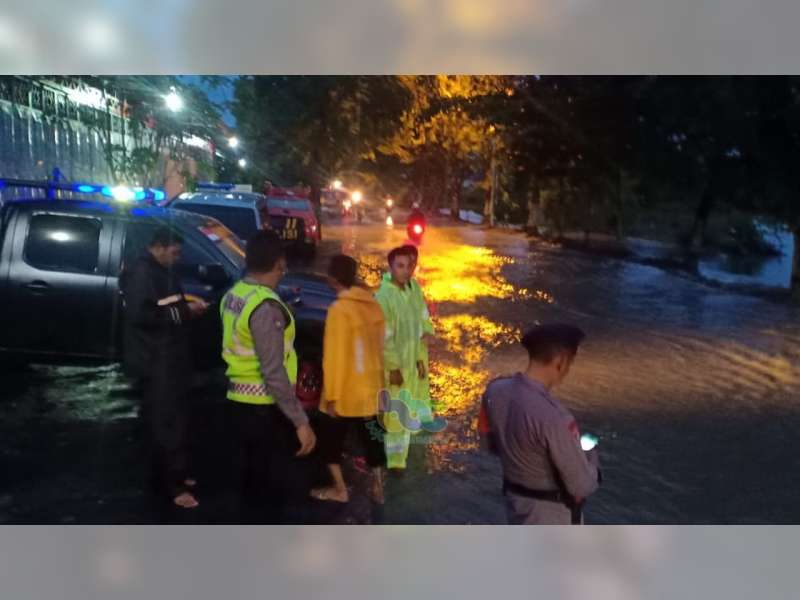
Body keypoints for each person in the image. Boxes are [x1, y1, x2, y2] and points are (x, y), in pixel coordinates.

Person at [220, 230, 316, 518]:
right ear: (278, 264)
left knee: (249, 484)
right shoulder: (266, 307)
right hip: (264, 412)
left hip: (236, 402)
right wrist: (300, 421)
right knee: (269, 491)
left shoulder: (234, 295)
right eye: (283, 262)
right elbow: (273, 371)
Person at [120, 227, 208, 509]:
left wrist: (187, 305)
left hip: (168, 359)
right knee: (168, 423)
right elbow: (142, 314)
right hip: (157, 361)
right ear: (158, 247)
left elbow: (165, 305)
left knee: (165, 420)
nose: (177, 258)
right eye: (174, 252)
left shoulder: (160, 271)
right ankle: (175, 486)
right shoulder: (143, 274)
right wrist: (185, 311)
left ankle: (168, 475)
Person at [478, 323, 600, 524]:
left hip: (515, 506)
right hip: (551, 518)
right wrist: (592, 458)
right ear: (561, 361)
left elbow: (488, 444)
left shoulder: (494, 391)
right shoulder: (556, 418)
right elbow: (581, 486)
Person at [311, 255, 387, 504]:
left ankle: (340, 490)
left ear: (332, 279)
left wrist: (331, 395)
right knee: (372, 440)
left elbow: (333, 356)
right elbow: (382, 347)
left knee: (330, 442)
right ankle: (378, 486)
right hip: (372, 389)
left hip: (345, 391)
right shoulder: (372, 305)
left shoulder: (339, 311)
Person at [375, 246, 435, 470]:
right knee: (396, 412)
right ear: (390, 267)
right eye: (400, 266)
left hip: (414, 361)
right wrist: (393, 367)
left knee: (412, 405)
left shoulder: (414, 288)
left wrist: (422, 356)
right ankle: (395, 461)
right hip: (397, 365)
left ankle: (411, 445)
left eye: (409, 265)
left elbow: (422, 316)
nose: (405, 270)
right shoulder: (384, 297)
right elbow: (385, 338)